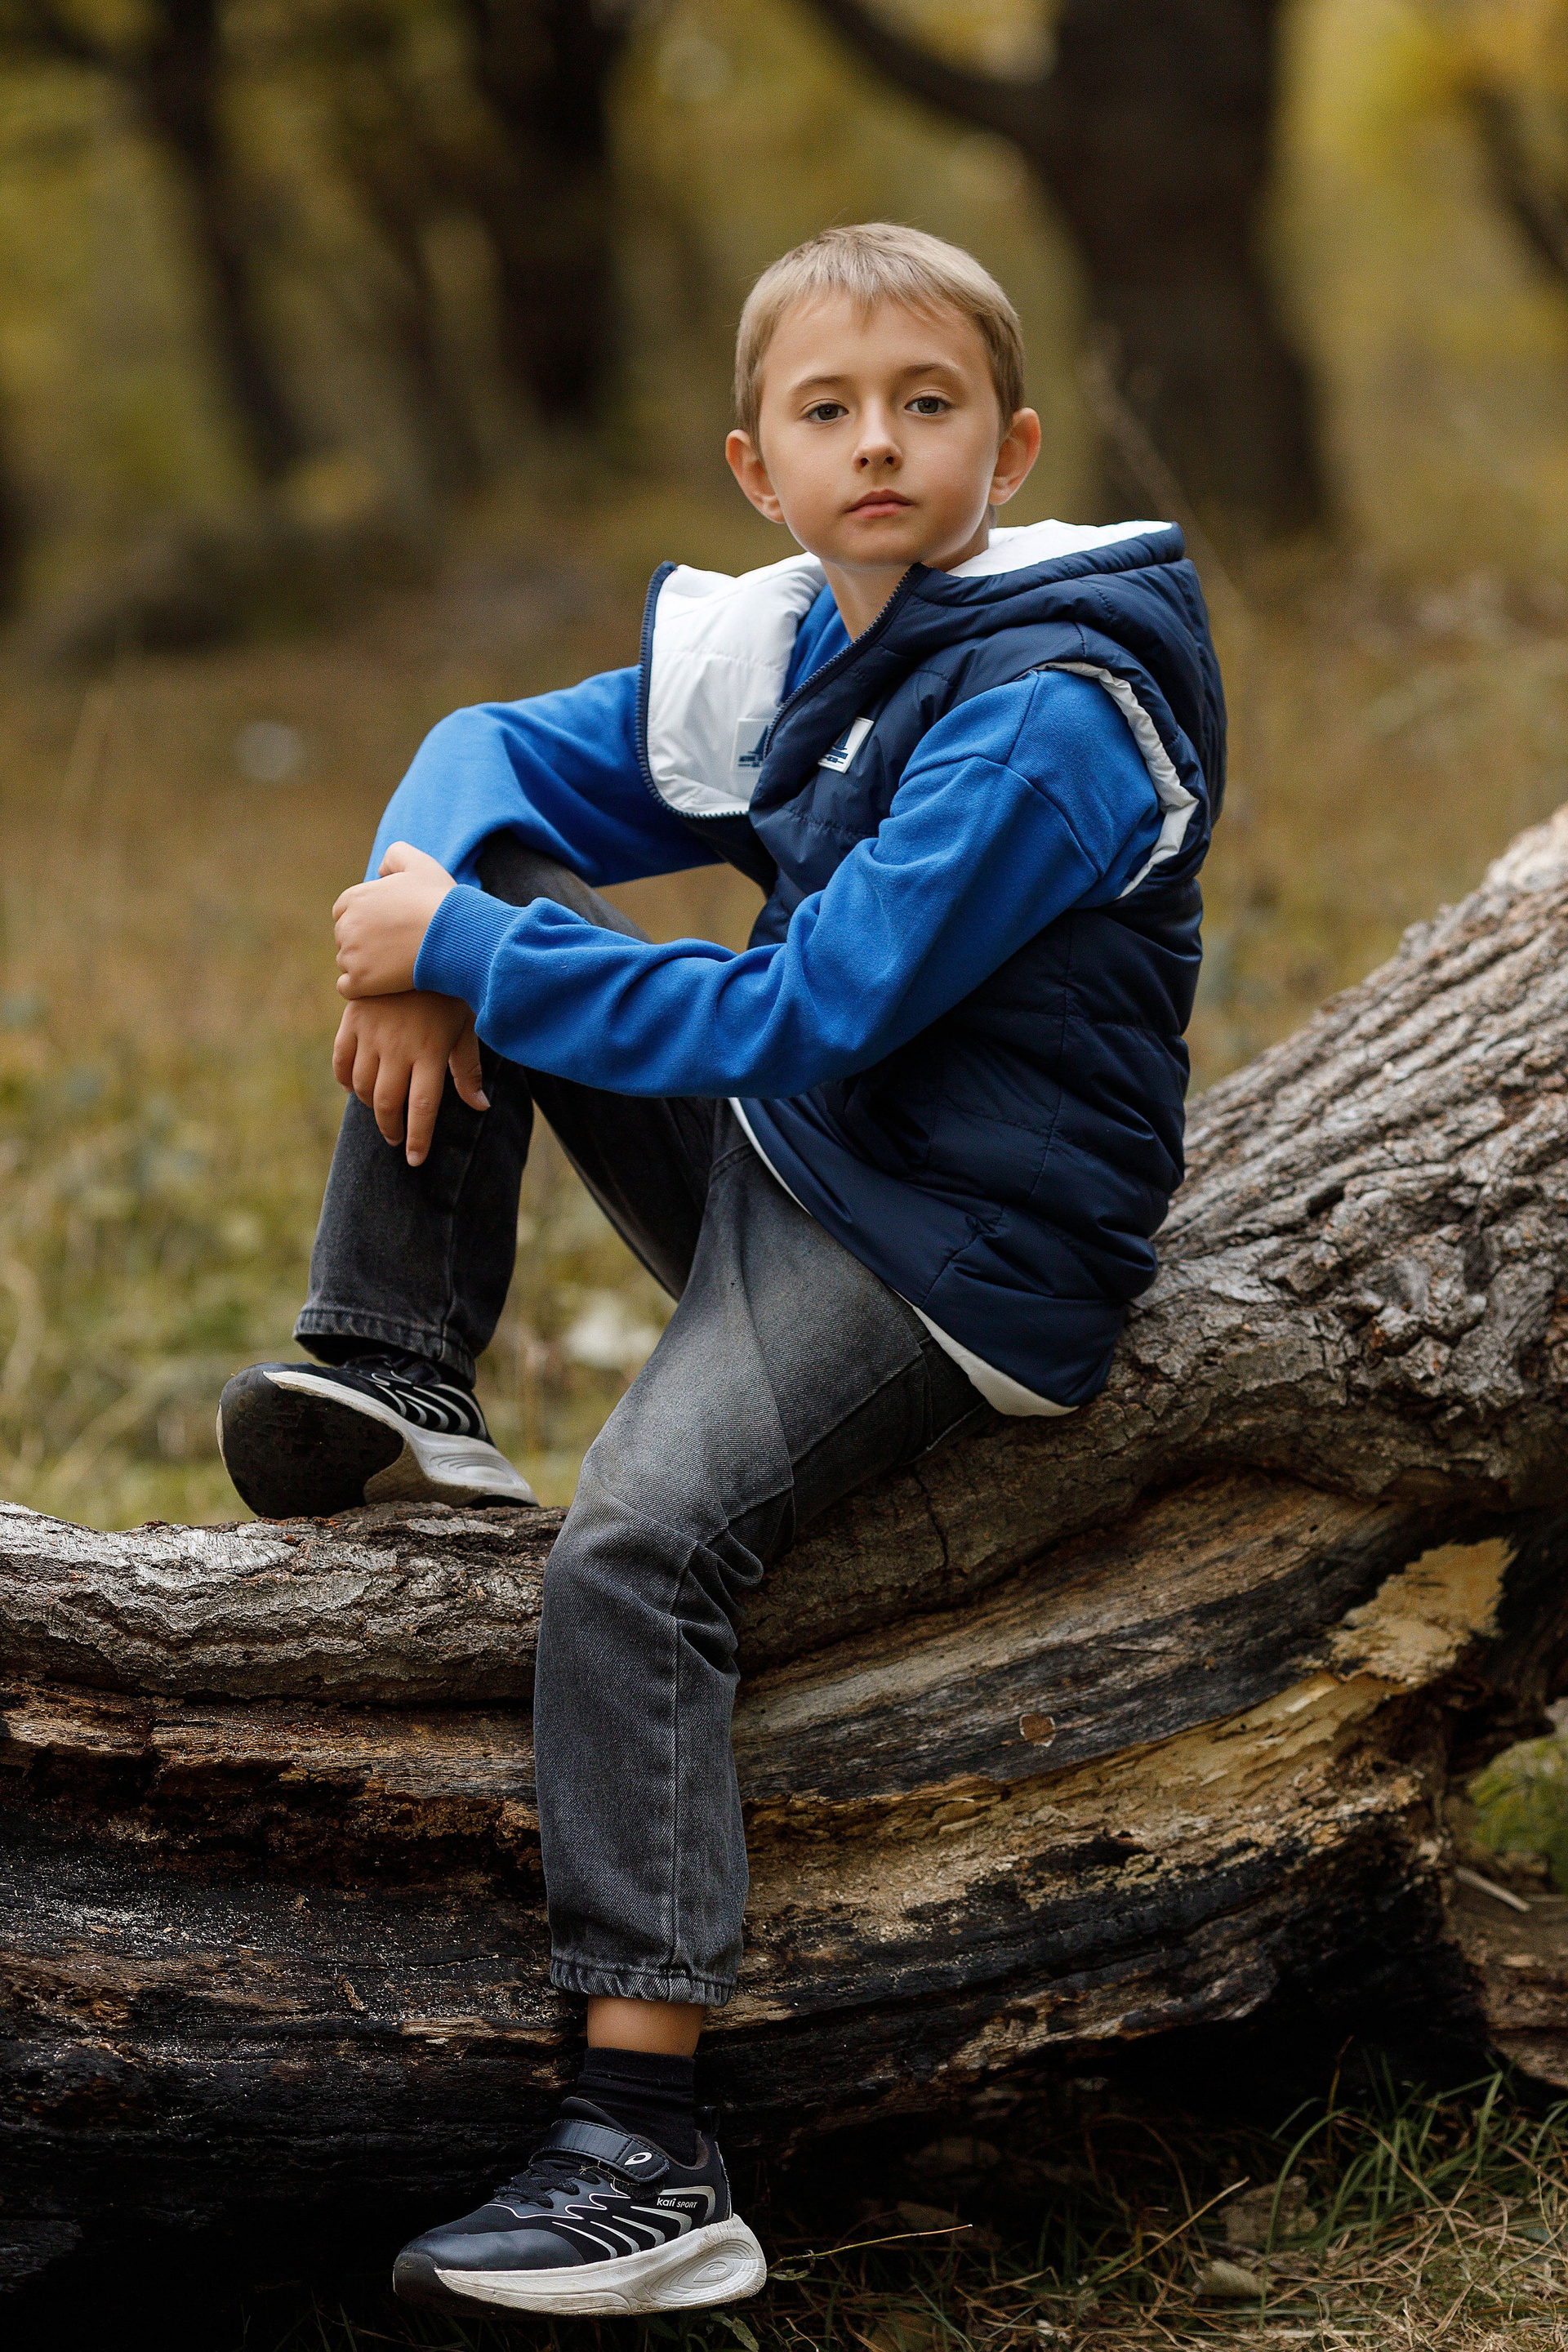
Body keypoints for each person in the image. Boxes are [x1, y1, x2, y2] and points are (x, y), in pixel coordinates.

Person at [216, 221, 1223, 2319]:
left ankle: (645, 2152)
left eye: (928, 405)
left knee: (633, 1553)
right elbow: (491, 746)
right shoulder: (798, 644)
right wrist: (429, 917)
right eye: (829, 411)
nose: (882, 446)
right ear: (758, 469)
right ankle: (392, 1361)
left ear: (1014, 447)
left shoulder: (1053, 705)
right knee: (490, 879)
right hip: (810, 1155)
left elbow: (815, 1007)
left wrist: (464, 950)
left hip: (955, 1258)